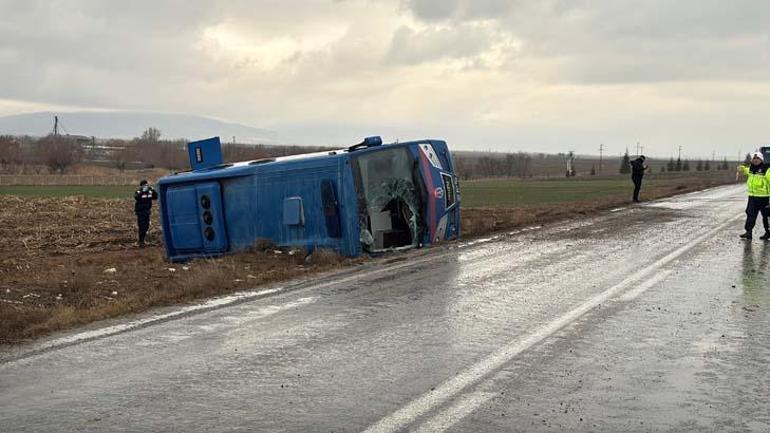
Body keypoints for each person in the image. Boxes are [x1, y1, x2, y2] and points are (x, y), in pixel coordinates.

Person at [736, 152, 770, 241]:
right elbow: (745, 170)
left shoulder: (766, 169)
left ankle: (768, 233)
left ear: (761, 160)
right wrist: (741, 168)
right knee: (750, 214)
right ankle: (748, 232)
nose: (755, 160)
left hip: (764, 198)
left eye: (757, 158)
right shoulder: (751, 168)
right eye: (754, 159)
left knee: (766, 216)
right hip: (752, 197)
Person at [134, 179, 158, 247]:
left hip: (147, 211)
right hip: (140, 212)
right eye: (144, 185)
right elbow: (136, 197)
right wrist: (142, 191)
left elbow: (155, 197)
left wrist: (153, 190)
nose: (146, 186)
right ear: (141, 186)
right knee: (142, 226)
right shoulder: (138, 192)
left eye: (147, 185)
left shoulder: (149, 192)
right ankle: (141, 241)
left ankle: (143, 239)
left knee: (146, 226)